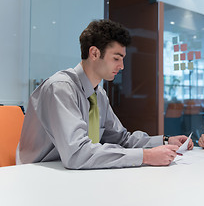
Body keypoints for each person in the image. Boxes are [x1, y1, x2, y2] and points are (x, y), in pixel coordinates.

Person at [16, 19, 193, 169]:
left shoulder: (98, 94)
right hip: (39, 176)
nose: (122, 66)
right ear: (94, 53)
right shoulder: (60, 88)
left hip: (72, 174)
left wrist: (164, 141)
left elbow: (121, 138)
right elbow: (77, 154)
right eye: (116, 58)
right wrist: (145, 156)